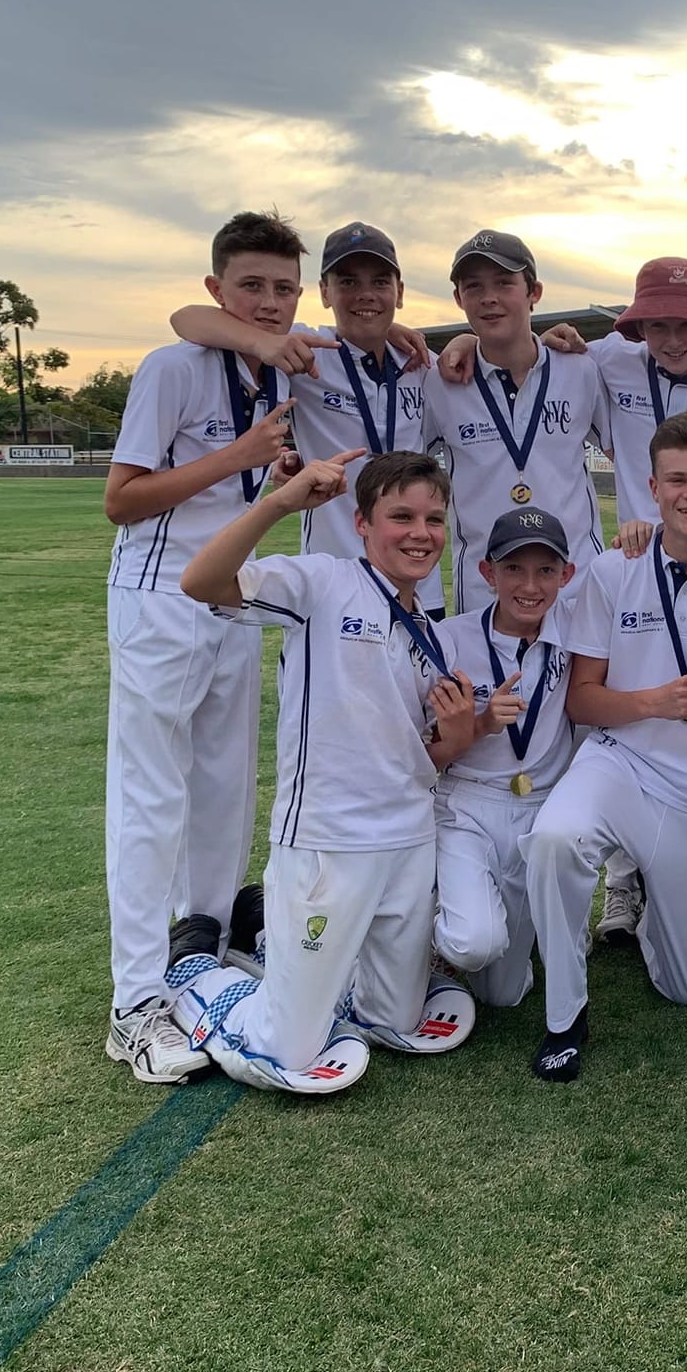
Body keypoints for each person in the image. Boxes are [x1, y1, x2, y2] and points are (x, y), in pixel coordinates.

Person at [167, 450, 519, 1093]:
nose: (421, 533)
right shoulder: (323, 583)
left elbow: (424, 754)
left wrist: (468, 731)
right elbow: (201, 581)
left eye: (434, 519)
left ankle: (273, 935)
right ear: (362, 522)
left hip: (408, 841)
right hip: (330, 837)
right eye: (401, 517)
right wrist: (278, 502)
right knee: (291, 1048)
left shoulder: (428, 632)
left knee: (396, 1017)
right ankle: (195, 966)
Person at [438, 255, 687, 947]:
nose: (671, 339)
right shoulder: (605, 358)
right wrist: (467, 340)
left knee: (650, 720)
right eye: (656, 326)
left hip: (617, 573)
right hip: (559, 572)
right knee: (534, 730)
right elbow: (517, 338)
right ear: (635, 327)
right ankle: (590, 881)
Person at [100, 209, 307, 1084]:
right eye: (251, 286)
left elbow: (360, 327)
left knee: (226, 783)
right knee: (151, 798)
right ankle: (133, 1005)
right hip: (157, 601)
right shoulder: (173, 367)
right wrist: (239, 457)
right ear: (218, 287)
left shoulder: (284, 356)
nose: (268, 302)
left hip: (229, 598)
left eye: (284, 288)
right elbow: (123, 500)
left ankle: (204, 947)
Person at [524, 409, 687, 1082]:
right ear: (652, 487)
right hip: (620, 766)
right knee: (555, 836)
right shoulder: (615, 571)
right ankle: (564, 1018)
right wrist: (654, 703)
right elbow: (582, 698)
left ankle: (660, 922)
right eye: (677, 480)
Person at [167, 221, 436, 575]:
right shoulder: (307, 350)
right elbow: (185, 318)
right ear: (324, 292)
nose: (365, 294)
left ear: (399, 292)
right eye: (348, 282)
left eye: (380, 282)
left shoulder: (423, 364)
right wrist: (262, 343)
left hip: (417, 579)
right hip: (331, 573)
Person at [423, 229, 638, 614]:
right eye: (474, 286)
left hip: (576, 593)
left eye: (505, 283)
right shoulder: (441, 383)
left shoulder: (581, 370)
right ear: (458, 299)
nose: (489, 297)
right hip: (483, 599)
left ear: (534, 292)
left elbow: (626, 452)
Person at [432, 507, 581, 1012]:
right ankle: (423, 927)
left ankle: (511, 924)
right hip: (466, 805)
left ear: (567, 574)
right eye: (513, 568)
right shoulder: (450, 639)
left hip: (539, 809)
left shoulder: (577, 637)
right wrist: (482, 723)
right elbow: (424, 744)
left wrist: (640, 532)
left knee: (502, 995)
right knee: (472, 944)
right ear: (487, 572)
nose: (530, 586)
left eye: (545, 570)